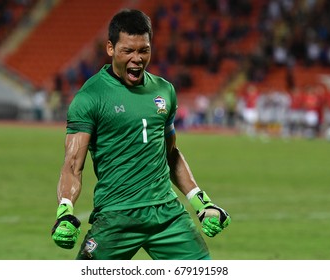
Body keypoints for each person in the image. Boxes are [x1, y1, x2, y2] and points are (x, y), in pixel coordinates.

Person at [51, 9, 231, 260]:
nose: (137, 59)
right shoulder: (90, 97)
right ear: (111, 48)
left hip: (167, 216)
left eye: (143, 50)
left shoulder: (164, 91)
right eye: (128, 51)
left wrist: (202, 202)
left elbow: (171, 155)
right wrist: (65, 211)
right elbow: (72, 164)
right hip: (117, 216)